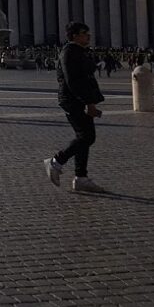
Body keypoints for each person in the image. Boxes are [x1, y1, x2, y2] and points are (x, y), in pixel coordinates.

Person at [44, 22, 106, 193]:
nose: (89, 35)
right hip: (74, 100)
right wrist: (88, 103)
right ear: (74, 36)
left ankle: (81, 178)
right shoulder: (69, 52)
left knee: (84, 136)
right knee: (87, 136)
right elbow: (74, 81)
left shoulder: (78, 51)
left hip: (78, 99)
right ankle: (56, 161)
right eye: (85, 33)